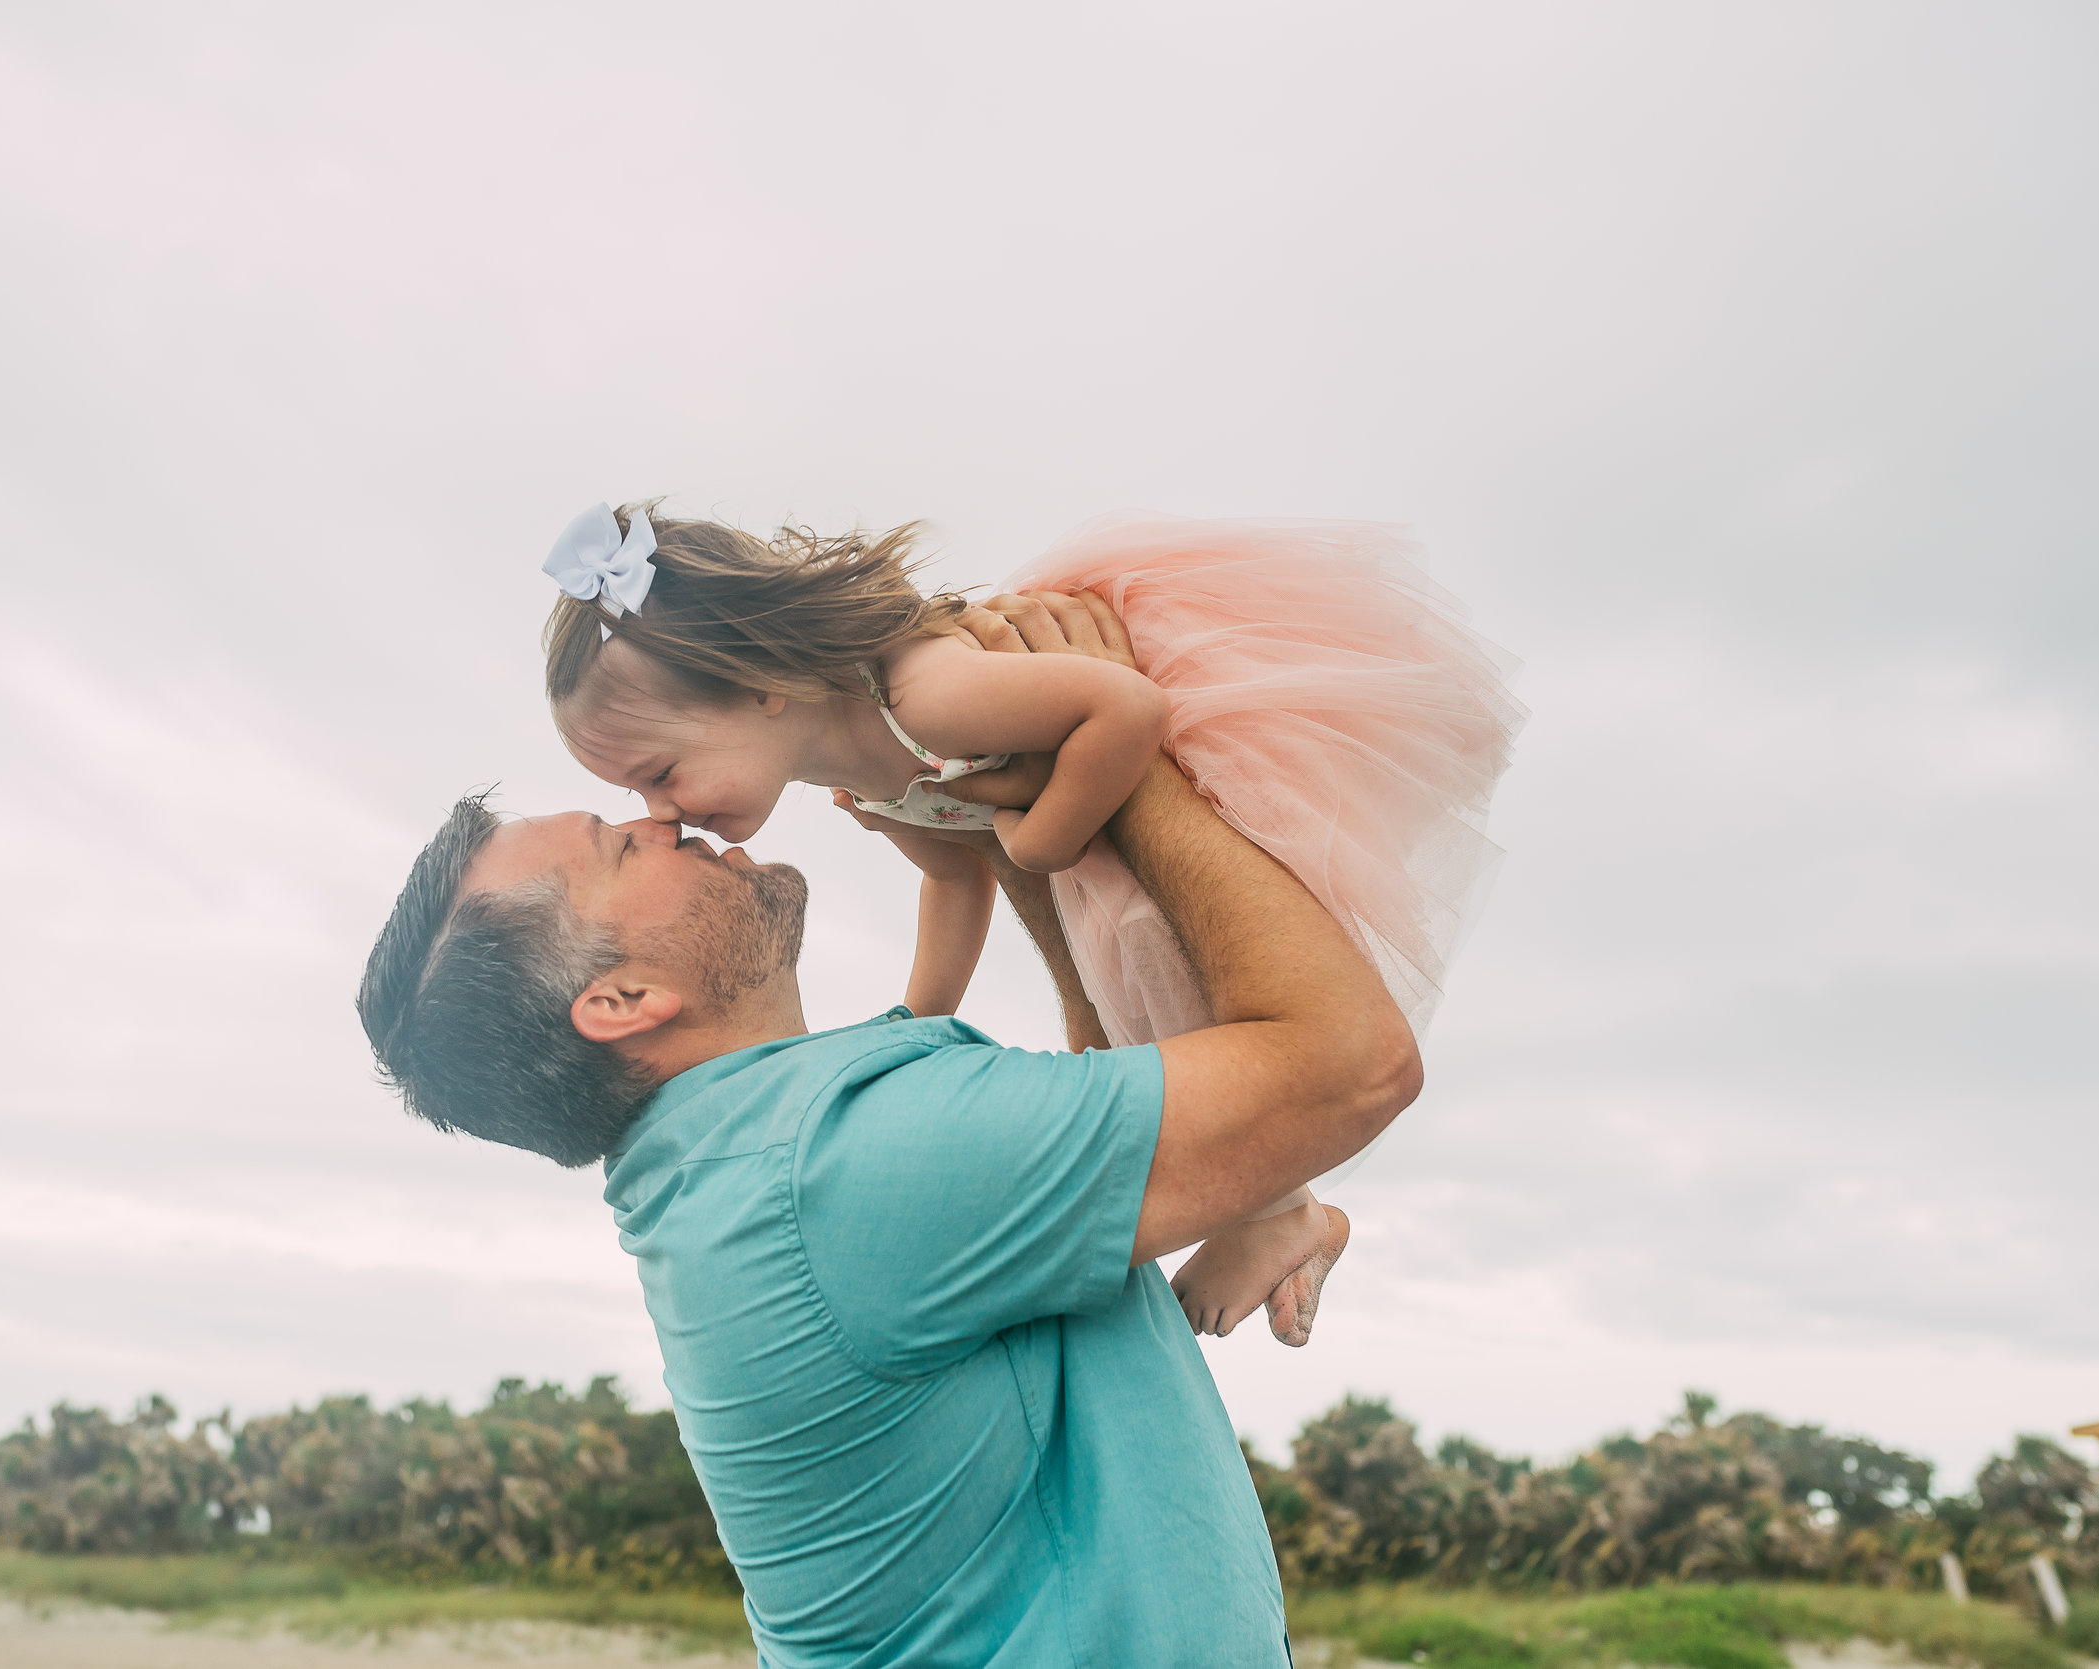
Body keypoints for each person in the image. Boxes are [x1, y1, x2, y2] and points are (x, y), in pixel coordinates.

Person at [356, 593, 1422, 1668]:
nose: (659, 819)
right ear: (625, 1000)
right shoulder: (838, 1171)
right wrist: (1134, 767)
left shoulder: (751, 1172)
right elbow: (1353, 1064)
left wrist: (1012, 824)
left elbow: (1125, 1092)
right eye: (619, 848)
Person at [535, 502, 1524, 1343]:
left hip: (1183, 746)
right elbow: (956, 877)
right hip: (1091, 824)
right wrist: (916, 1017)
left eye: (657, 774)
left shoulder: (928, 695)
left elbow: (1124, 708)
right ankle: (1279, 1208)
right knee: (1120, 1005)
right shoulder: (856, 781)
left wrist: (1045, 840)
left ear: (759, 685)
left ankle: (1278, 1211)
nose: (659, 815)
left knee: (1162, 969)